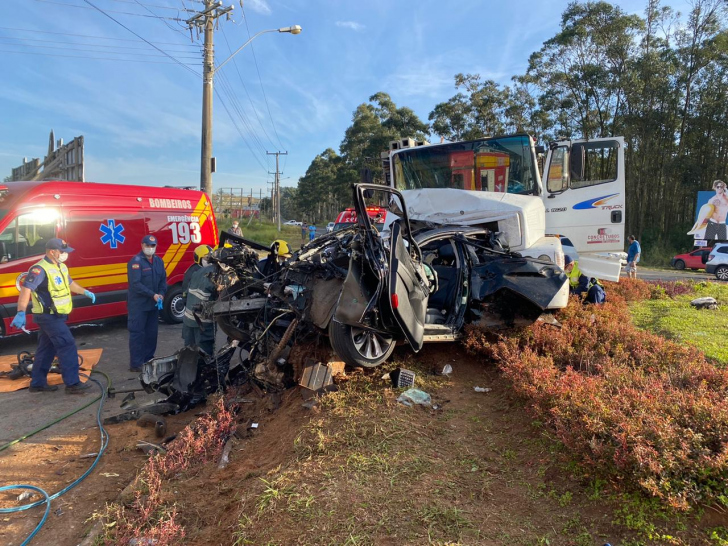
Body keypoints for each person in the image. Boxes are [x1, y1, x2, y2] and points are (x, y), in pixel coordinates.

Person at [10, 238, 96, 394]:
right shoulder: (39, 269)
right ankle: (72, 384)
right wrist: (21, 312)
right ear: (52, 252)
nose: (65, 254)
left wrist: (85, 291)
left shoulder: (61, 266)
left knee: (46, 349)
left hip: (58, 315)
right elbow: (26, 290)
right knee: (67, 344)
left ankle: (37, 384)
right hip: (47, 316)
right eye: (62, 252)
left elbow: (70, 283)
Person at [127, 235, 167, 372]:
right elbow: (136, 284)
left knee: (151, 334)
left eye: (153, 246)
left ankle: (148, 359)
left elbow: (163, 280)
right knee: (137, 333)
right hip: (139, 305)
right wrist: (153, 295)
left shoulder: (158, 261)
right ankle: (136, 363)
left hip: (153, 305)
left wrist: (161, 293)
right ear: (142, 245)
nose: (150, 248)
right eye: (148, 245)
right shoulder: (136, 262)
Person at [182, 261, 217, 355]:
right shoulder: (217, 275)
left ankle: (187, 369)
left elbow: (186, 293)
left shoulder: (197, 272)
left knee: (188, 354)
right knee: (204, 355)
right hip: (203, 324)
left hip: (188, 320)